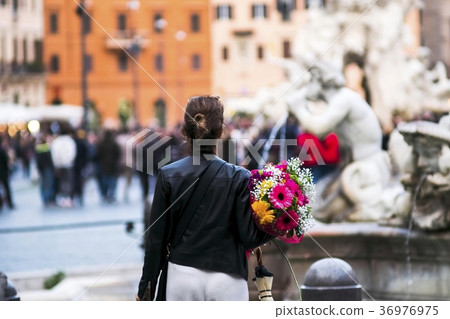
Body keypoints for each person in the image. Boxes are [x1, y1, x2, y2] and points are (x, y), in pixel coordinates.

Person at [136, 96, 272, 301]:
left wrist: (146, 289)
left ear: (185, 132)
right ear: (220, 132)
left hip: (181, 275)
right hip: (228, 277)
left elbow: (156, 240)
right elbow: (249, 237)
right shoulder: (239, 177)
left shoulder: (168, 175)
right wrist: (279, 226)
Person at [0, 138, 14, 210]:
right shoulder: (2, 150)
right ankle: (9, 203)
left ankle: (2, 204)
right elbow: (6, 161)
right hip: (3, 173)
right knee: (6, 188)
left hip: (3, 172)